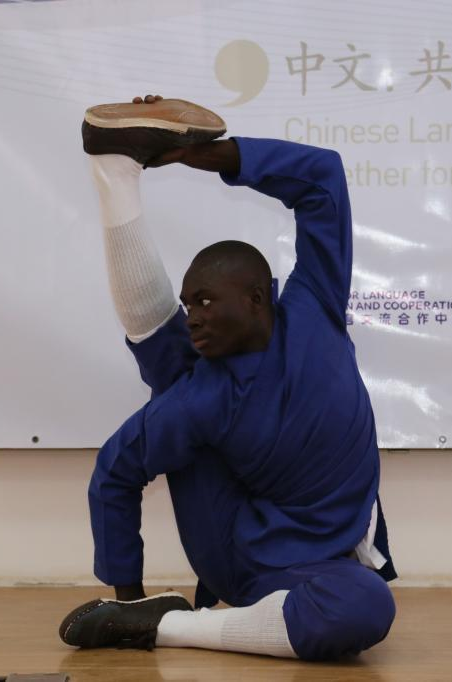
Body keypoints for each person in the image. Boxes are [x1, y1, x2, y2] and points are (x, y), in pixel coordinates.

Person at [59, 95, 396, 661]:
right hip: (252, 558)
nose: (193, 316)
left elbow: (323, 178)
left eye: (206, 301)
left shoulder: (313, 306)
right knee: (366, 606)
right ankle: (159, 625)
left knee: (362, 601)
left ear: (259, 298)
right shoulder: (201, 395)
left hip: (324, 552)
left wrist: (203, 155)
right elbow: (115, 470)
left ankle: (114, 169)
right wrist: (127, 595)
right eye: (189, 304)